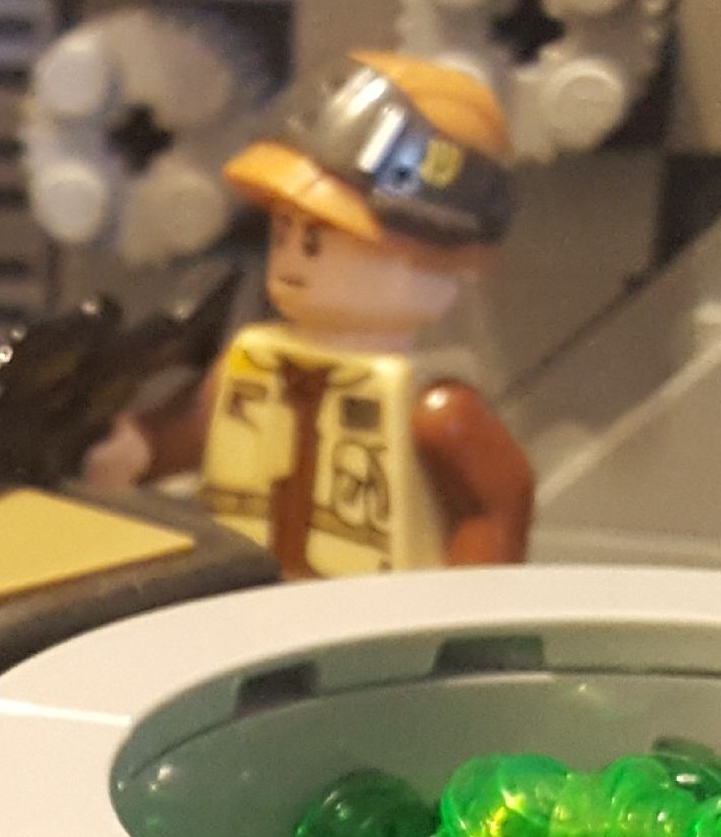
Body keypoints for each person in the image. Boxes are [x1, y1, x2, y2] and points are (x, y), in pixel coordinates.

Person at [90, 51, 536, 575]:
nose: (289, 259)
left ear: (436, 262)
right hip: (242, 597)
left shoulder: (438, 411)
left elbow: (497, 506)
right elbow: (192, 433)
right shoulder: (250, 368)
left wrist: (461, 605)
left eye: (316, 242)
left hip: (373, 613)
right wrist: (136, 449)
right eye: (282, 235)